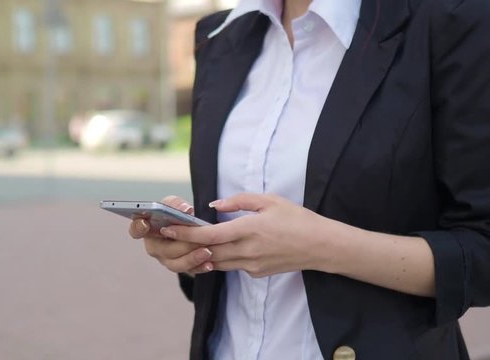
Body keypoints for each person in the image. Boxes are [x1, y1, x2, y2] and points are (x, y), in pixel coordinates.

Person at [129, 0, 490, 359]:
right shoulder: (219, 36)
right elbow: (236, 277)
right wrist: (196, 248)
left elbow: (482, 252)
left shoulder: (453, 20)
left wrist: (323, 247)